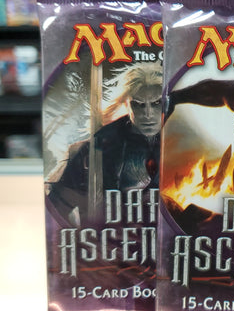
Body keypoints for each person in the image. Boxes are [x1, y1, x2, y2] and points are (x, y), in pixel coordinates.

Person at [48, 62, 162, 226]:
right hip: (113, 233)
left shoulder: (185, 137)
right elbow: (58, 204)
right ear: (126, 104)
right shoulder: (100, 145)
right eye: (138, 104)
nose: (148, 114)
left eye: (156, 103)